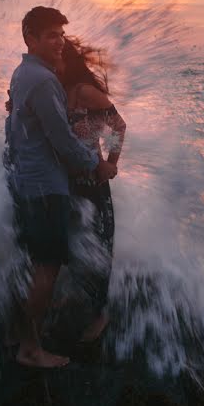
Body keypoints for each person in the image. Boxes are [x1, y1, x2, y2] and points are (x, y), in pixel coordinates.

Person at [5, 6, 117, 368]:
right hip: (50, 185)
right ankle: (29, 345)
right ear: (30, 38)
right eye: (51, 35)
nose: (59, 43)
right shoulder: (43, 82)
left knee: (60, 257)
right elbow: (62, 140)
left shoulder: (26, 76)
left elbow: (116, 124)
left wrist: (108, 162)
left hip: (47, 183)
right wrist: (99, 166)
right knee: (48, 265)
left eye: (61, 36)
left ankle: (46, 326)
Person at [59, 35, 126, 343]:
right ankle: (76, 297)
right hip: (68, 183)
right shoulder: (59, 91)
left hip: (93, 184)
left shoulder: (85, 91)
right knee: (74, 245)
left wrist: (111, 162)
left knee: (100, 247)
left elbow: (118, 125)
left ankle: (100, 314)